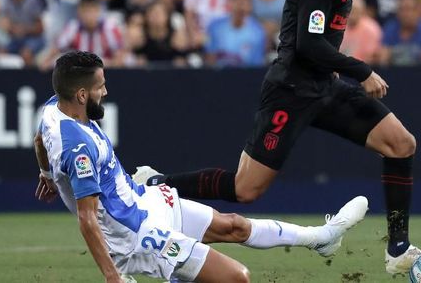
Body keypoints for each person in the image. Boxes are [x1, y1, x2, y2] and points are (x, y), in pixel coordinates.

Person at [143, 0, 421, 277]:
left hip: (324, 86)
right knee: (245, 190)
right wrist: (362, 70)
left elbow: (318, 43)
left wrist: (338, 69)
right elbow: (308, 46)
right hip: (290, 92)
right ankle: (157, 183)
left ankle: (398, 249)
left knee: (401, 143)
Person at [33, 50, 369, 283]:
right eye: (99, 87)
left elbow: (39, 140)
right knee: (237, 278)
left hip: (144, 202)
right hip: (137, 235)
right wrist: (111, 274)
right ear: (80, 95)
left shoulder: (53, 108)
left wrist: (47, 174)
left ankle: (321, 238)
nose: (105, 91)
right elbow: (88, 219)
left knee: (234, 226)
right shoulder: (78, 148)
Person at [40, 0, 127, 69]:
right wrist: (46, 61)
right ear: (79, 12)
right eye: (85, 11)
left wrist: (109, 64)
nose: (89, 16)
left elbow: (119, 56)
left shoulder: (109, 28)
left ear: (98, 11)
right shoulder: (73, 27)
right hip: (80, 75)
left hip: (105, 72)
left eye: (91, 11)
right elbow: (57, 48)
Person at [205, 0, 266, 67]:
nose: (241, 7)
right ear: (230, 3)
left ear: (251, 6)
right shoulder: (215, 26)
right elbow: (210, 58)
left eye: (246, 2)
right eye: (238, 1)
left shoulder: (258, 32)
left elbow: (256, 65)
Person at [1, 0, 45, 66]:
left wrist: (24, 30)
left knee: (26, 54)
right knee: (0, 52)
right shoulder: (6, 0)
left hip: (34, 38)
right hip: (16, 39)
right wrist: (10, 28)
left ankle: (31, 79)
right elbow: (6, 25)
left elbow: (40, 28)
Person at [380, 0, 421, 66]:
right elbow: (383, 60)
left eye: (408, 9)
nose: (405, 14)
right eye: (401, 9)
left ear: (417, 12)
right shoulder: (390, 29)